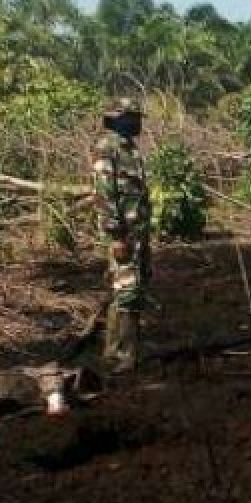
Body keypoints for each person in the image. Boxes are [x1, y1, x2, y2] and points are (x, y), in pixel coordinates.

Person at [91, 98, 152, 372]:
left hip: (136, 232)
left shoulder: (130, 149)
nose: (138, 123)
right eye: (133, 117)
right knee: (127, 290)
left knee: (129, 289)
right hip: (123, 234)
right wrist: (115, 235)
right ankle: (123, 355)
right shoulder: (108, 148)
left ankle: (116, 352)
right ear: (118, 118)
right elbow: (104, 195)